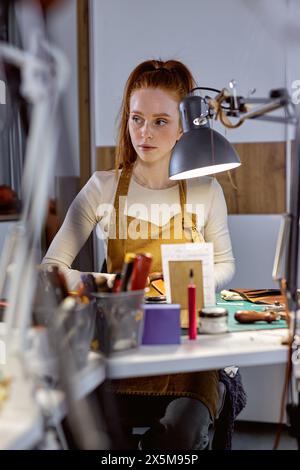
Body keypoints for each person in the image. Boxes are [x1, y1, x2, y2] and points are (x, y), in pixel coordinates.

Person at [42, 59, 235, 450]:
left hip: (186, 346)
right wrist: (116, 285)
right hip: (120, 343)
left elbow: (226, 264)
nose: (144, 132)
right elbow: (51, 268)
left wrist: (187, 283)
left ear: (183, 126)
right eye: (136, 118)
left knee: (181, 433)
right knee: (83, 427)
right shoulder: (102, 188)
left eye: (160, 121)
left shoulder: (205, 191)